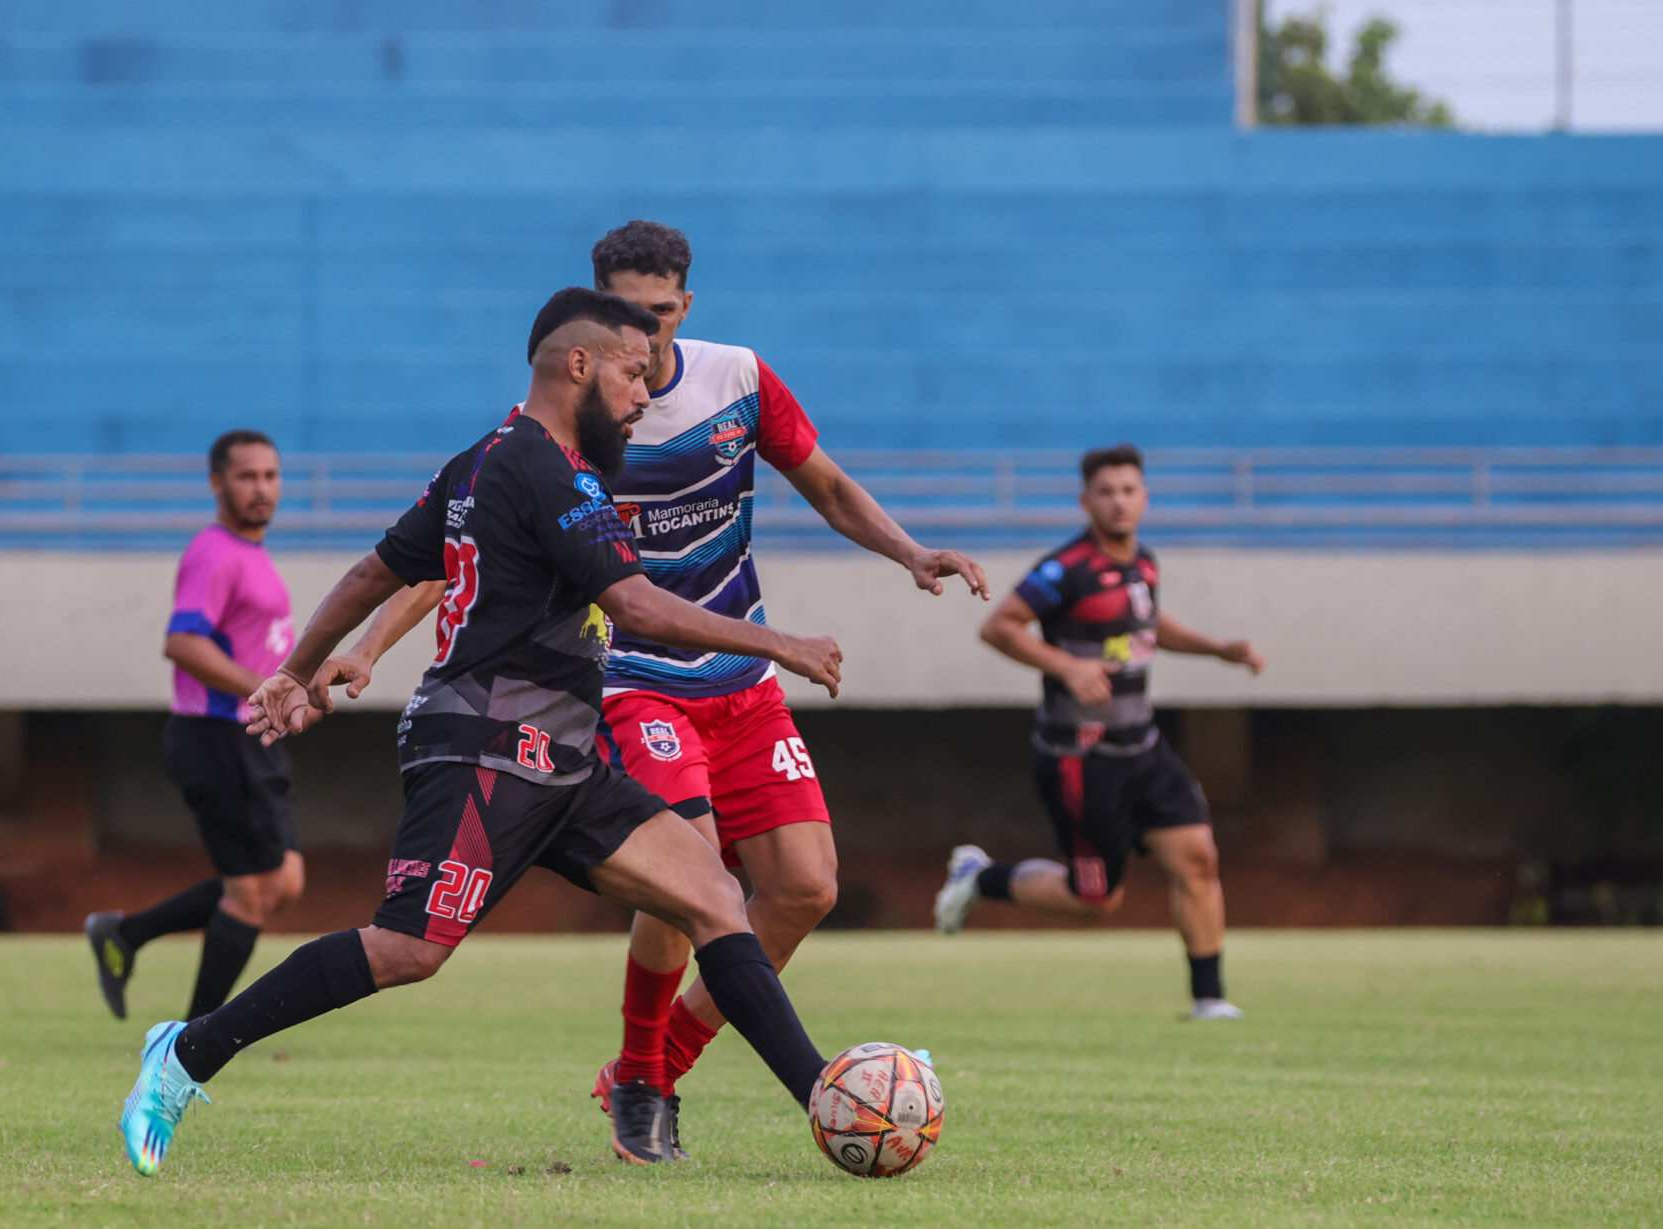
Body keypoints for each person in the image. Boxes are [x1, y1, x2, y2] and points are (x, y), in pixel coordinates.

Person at [116, 288, 853, 1174]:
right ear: (576, 364)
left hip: (564, 754)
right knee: (407, 949)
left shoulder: (482, 461)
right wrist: (779, 641)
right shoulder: (547, 469)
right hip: (486, 746)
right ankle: (186, 1051)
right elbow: (633, 604)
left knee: (712, 897)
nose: (642, 393)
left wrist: (300, 669)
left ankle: (828, 1099)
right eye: (629, 370)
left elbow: (372, 572)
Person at [333, 220, 989, 1162]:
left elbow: (830, 485)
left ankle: (651, 1067)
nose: (646, 335)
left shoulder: (739, 382)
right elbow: (457, 555)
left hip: (742, 680)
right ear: (597, 312)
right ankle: (648, 1082)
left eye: (664, 312)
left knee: (804, 888)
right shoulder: (571, 424)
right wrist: (371, 645)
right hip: (635, 680)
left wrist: (911, 551)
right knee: (692, 868)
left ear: (689, 304)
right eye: (630, 315)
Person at [932, 445, 1267, 1020]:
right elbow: (999, 626)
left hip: (1145, 746)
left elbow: (1147, 622)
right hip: (1081, 758)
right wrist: (1067, 666)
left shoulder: (1146, 563)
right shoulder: (1065, 569)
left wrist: (1217, 650)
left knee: (1198, 858)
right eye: (1107, 492)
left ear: (1145, 498)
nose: (1119, 501)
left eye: (1129, 490)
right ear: (1086, 500)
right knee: (1096, 900)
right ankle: (981, 878)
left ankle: (1209, 1000)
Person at [84, 431, 306, 1022]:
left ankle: (125, 935)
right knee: (253, 892)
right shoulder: (215, 552)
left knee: (283, 880)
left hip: (249, 736)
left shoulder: (252, 554)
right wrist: (263, 690)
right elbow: (182, 641)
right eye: (246, 477)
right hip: (216, 737)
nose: (261, 488)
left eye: (270, 476)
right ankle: (190, 1040)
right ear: (217, 483)